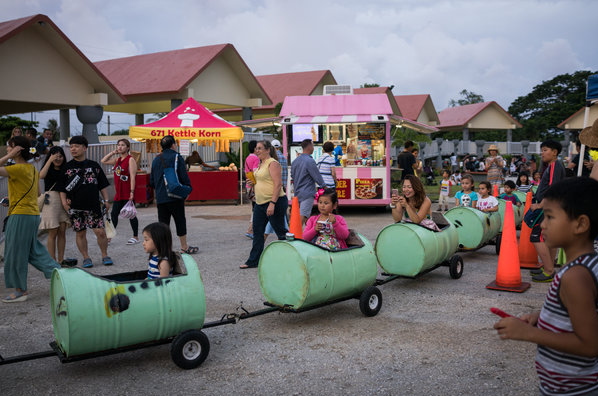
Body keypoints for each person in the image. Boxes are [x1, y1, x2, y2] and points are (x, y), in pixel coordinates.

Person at [493, 177, 598, 396]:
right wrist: (541, 317)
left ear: (580, 224)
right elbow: (584, 314)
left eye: (550, 217)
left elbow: (589, 345)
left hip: (572, 389)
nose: (542, 224)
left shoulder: (575, 277)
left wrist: (528, 334)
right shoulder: (589, 265)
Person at [1, 136, 60, 302]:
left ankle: (20, 291)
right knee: (34, 251)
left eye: (9, 147)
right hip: (32, 215)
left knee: (14, 253)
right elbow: (38, 193)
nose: (7, 150)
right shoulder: (32, 169)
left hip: (20, 216)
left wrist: (8, 156)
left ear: (17, 149)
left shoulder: (17, 169)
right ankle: (59, 273)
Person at [59, 135, 113, 268]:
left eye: (76, 146)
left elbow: (102, 185)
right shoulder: (67, 167)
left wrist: (106, 200)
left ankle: (105, 254)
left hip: (93, 205)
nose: (73, 149)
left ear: (84, 148)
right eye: (71, 147)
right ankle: (86, 257)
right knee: (80, 232)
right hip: (75, 207)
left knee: (100, 231)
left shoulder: (94, 166)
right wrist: (64, 203)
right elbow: (62, 188)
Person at [241, 140, 288, 269]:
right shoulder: (260, 164)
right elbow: (261, 181)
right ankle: (253, 261)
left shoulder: (273, 163)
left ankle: (291, 256)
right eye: (256, 148)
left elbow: (278, 184)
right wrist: (252, 183)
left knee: (281, 232)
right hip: (260, 203)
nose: (257, 151)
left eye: (260, 148)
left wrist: (272, 203)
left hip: (275, 202)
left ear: (268, 150)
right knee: (257, 231)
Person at [150, 135, 198, 255]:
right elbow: (183, 175)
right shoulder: (177, 157)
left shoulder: (156, 159)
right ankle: (184, 247)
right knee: (180, 220)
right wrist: (187, 190)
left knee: (163, 224)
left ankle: (164, 250)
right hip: (175, 196)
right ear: (173, 145)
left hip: (161, 197)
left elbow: (151, 181)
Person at [529, 140, 566, 282]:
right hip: (552, 207)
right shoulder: (552, 166)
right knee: (547, 238)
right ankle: (547, 267)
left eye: (545, 150)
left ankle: (549, 270)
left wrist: (540, 205)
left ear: (554, 152)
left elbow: (552, 188)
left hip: (548, 207)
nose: (542, 153)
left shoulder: (554, 166)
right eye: (542, 150)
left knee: (536, 236)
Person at [101, 138, 140, 245]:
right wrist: (113, 152)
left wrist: (132, 192)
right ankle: (109, 238)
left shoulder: (130, 160)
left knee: (131, 214)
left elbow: (132, 177)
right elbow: (103, 161)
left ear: (128, 148)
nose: (120, 147)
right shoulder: (117, 160)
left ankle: (135, 236)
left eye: (122, 145)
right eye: (118, 145)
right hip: (119, 192)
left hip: (127, 192)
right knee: (114, 214)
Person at [39, 146, 71, 265]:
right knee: (53, 232)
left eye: (60, 156)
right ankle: (52, 260)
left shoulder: (66, 169)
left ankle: (61, 259)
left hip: (63, 201)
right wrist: (49, 160)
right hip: (51, 201)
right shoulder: (48, 168)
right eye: (55, 156)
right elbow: (41, 176)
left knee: (62, 231)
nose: (58, 158)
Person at [291, 139, 325, 225]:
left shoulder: (295, 161)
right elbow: (317, 176)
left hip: (297, 192)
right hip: (307, 192)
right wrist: (325, 187)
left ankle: (307, 234)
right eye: (313, 146)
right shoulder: (310, 161)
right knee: (303, 216)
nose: (313, 148)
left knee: (304, 216)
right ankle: (295, 235)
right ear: (309, 146)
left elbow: (292, 176)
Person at [244, 140, 259, 238]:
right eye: (257, 147)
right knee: (256, 209)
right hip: (255, 187)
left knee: (254, 209)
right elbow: (256, 172)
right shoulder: (256, 159)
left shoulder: (247, 158)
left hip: (249, 186)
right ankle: (250, 230)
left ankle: (251, 229)